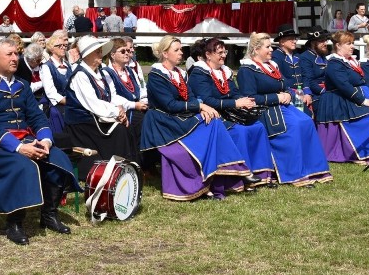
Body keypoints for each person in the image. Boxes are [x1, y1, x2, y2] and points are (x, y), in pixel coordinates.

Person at [0, 37, 80, 245]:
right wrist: (19, 147)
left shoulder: (22, 84)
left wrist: (46, 140)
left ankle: (49, 215)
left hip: (25, 139)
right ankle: (14, 223)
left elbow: (37, 117)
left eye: (16, 54)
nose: (15, 58)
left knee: (56, 157)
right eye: (9, 54)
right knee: (22, 166)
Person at [142, 36, 257, 201]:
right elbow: (169, 105)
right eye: (177, 50)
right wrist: (200, 107)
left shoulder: (179, 73)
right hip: (162, 122)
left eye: (181, 49)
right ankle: (238, 172)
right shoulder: (156, 75)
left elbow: (191, 96)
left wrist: (200, 106)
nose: (181, 53)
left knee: (214, 123)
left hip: (180, 117)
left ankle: (219, 179)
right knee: (212, 127)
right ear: (165, 54)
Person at [237, 33, 332, 187]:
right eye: (267, 47)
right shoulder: (247, 69)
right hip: (264, 111)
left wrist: (288, 93)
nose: (271, 50)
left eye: (271, 47)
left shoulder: (272, 66)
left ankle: (313, 170)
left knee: (306, 122)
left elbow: (285, 85)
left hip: (283, 107)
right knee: (294, 126)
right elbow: (250, 98)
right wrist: (277, 98)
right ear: (256, 49)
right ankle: (294, 174)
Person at [188, 38, 274, 186]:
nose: (223, 55)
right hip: (212, 115)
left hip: (230, 112)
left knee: (258, 127)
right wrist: (236, 103)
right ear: (208, 55)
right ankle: (241, 176)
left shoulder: (224, 71)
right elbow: (208, 100)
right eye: (219, 52)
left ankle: (263, 173)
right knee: (240, 132)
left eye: (224, 52)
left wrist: (245, 101)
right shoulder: (199, 73)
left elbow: (233, 92)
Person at [314, 31, 369, 163]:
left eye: (352, 43)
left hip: (351, 97)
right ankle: (367, 151)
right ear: (338, 45)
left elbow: (363, 82)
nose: (352, 46)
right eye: (348, 43)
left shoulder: (349, 61)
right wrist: (363, 100)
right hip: (339, 101)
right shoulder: (334, 63)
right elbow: (344, 86)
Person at [64, 35, 141, 178]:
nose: (101, 54)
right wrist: (117, 112)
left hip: (98, 118)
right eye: (97, 51)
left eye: (100, 51)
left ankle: (130, 168)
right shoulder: (80, 75)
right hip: (82, 124)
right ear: (87, 55)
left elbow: (111, 96)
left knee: (128, 127)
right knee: (119, 131)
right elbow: (93, 104)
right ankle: (118, 170)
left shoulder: (101, 73)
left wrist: (121, 108)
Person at [101, 37, 148, 144]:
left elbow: (141, 89)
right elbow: (112, 97)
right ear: (112, 55)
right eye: (123, 51)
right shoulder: (107, 72)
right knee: (143, 120)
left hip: (138, 108)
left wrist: (144, 101)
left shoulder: (130, 71)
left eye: (127, 50)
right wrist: (134, 105)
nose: (127, 53)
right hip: (124, 111)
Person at [271, 24, 312, 112]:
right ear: (282, 42)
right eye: (291, 39)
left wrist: (307, 92)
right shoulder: (276, 57)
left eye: (295, 39)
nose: (294, 41)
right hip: (287, 94)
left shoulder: (297, 55)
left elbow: (305, 74)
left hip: (303, 93)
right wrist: (295, 94)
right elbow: (280, 78)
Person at [39, 30, 71, 134]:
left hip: (71, 105)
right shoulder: (46, 66)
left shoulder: (68, 65)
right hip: (56, 107)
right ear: (52, 48)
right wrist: (70, 101)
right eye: (59, 45)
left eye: (65, 45)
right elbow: (51, 93)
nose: (63, 47)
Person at [298, 27, 330, 111]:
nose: (325, 43)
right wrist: (324, 91)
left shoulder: (322, 56)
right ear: (313, 43)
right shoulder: (305, 57)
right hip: (317, 93)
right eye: (321, 41)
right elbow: (309, 80)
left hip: (328, 89)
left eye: (325, 40)